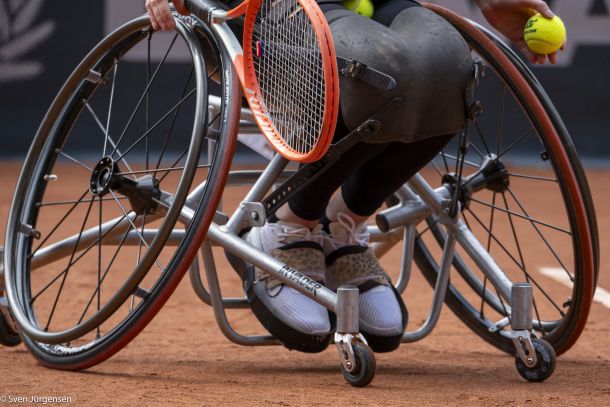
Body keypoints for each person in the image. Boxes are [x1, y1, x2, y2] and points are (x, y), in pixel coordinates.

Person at [146, 0, 563, 353]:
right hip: (269, 15)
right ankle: (289, 225)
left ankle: (343, 222)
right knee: (379, 70)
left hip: (370, 9)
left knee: (451, 67)